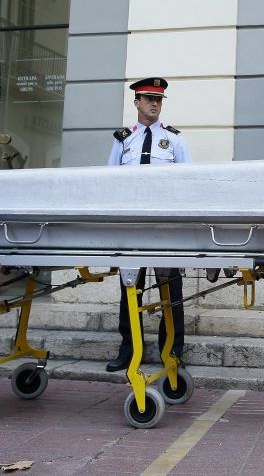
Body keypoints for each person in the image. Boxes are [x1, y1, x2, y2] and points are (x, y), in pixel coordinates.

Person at [105, 77, 191, 373]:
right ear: (137, 102)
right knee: (131, 287)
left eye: (159, 99)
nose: (154, 103)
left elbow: (187, 183)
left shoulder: (175, 139)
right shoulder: (122, 140)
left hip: (165, 228)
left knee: (171, 289)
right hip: (131, 228)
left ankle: (174, 350)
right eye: (148, 98)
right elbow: (110, 182)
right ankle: (128, 351)